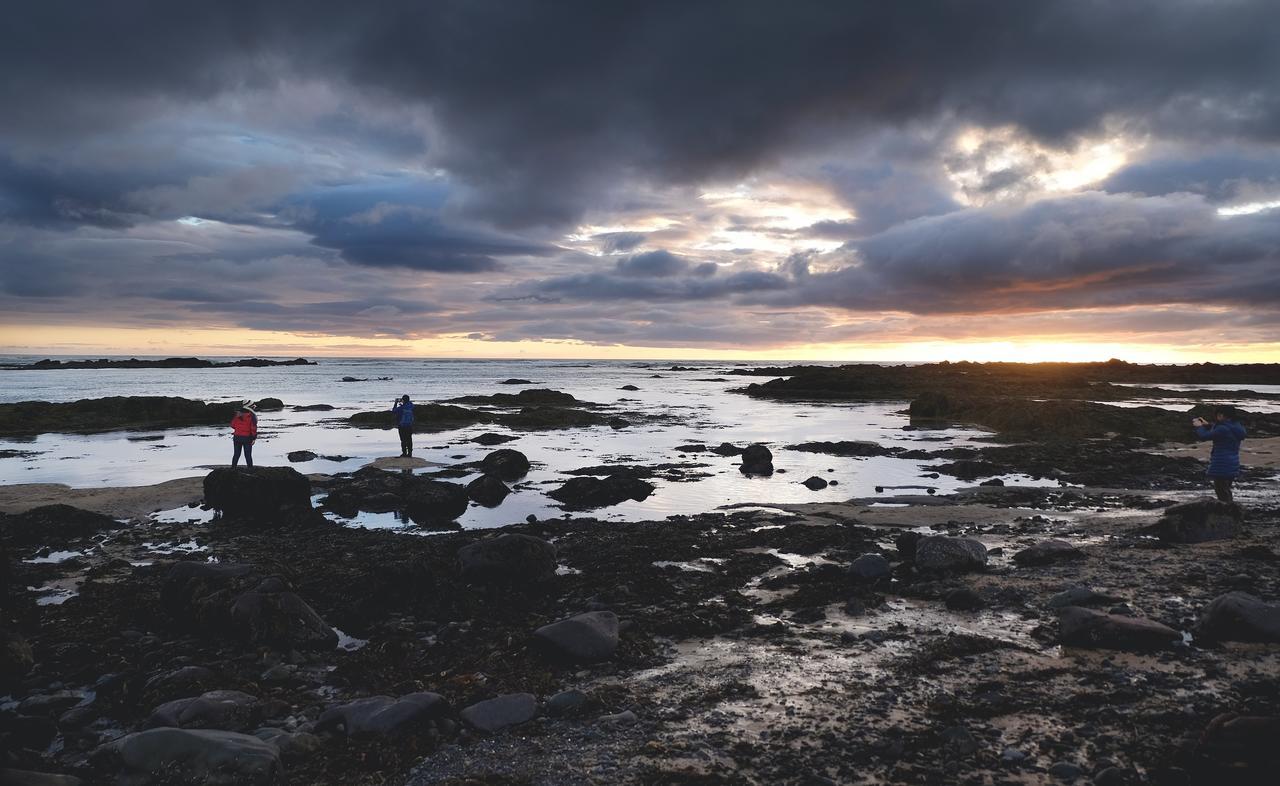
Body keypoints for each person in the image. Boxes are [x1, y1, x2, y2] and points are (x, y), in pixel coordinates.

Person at [1192, 406, 1246, 503]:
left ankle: (1228, 512)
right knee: (1226, 489)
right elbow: (1222, 430)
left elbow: (1205, 436)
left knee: (1221, 491)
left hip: (1221, 463)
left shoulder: (1222, 428)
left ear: (1221, 415)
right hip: (1233, 462)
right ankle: (1230, 510)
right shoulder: (1237, 426)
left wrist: (1199, 427)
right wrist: (1208, 425)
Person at [230, 402, 258, 468]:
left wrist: (239, 428)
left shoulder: (238, 415)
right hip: (247, 438)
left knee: (236, 454)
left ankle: (233, 469)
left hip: (237, 437)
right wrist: (254, 438)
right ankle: (250, 469)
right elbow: (253, 428)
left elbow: (232, 425)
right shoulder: (251, 416)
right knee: (248, 455)